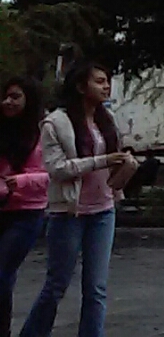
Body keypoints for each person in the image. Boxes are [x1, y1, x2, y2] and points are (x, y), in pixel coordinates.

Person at [20, 61, 136, 337]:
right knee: (56, 285)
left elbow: (112, 159)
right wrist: (102, 160)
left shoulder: (106, 119)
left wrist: (125, 166)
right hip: (69, 213)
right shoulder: (56, 123)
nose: (106, 87)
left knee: (96, 288)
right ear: (81, 87)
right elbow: (57, 168)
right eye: (99, 81)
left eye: (107, 81)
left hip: (103, 210)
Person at [1, 76, 50, 334]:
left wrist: (20, 181)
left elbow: (51, 174)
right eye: (5, 96)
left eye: (15, 97)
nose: (8, 102)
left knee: (2, 271)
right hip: (2, 206)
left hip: (26, 213)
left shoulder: (43, 133)